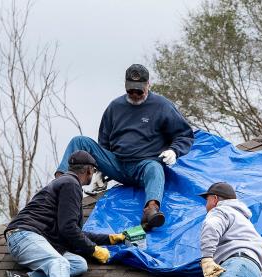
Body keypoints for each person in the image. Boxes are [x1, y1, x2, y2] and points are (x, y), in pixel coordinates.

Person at [56, 63, 194, 231]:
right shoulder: (115, 107)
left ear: (148, 85)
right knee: (79, 141)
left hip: (144, 166)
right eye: (131, 91)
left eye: (139, 91)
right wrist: (98, 169)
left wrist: (174, 150)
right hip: (118, 164)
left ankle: (151, 209)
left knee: (155, 168)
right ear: (125, 86)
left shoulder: (162, 106)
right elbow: (104, 142)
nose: (135, 95)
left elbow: (184, 134)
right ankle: (59, 187)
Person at [3, 150, 125, 277]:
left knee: (78, 264)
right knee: (58, 262)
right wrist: (93, 249)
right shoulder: (70, 183)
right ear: (89, 170)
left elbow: (74, 232)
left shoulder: (66, 182)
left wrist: (111, 239)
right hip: (24, 235)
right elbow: (68, 229)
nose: (93, 174)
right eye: (94, 171)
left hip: (30, 238)